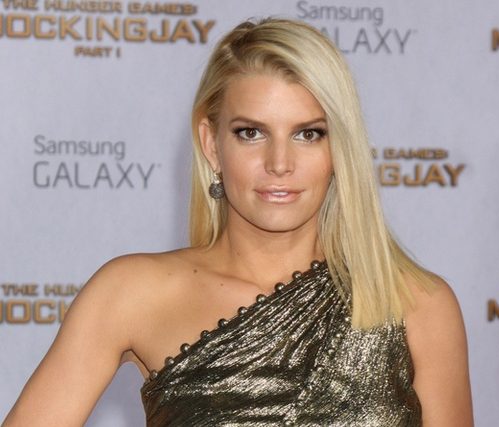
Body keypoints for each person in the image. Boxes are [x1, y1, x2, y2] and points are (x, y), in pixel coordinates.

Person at [3, 18, 473, 426]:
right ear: (212, 145)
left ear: (340, 149)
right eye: (251, 133)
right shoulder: (130, 293)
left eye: (308, 134)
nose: (279, 163)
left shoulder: (417, 305)